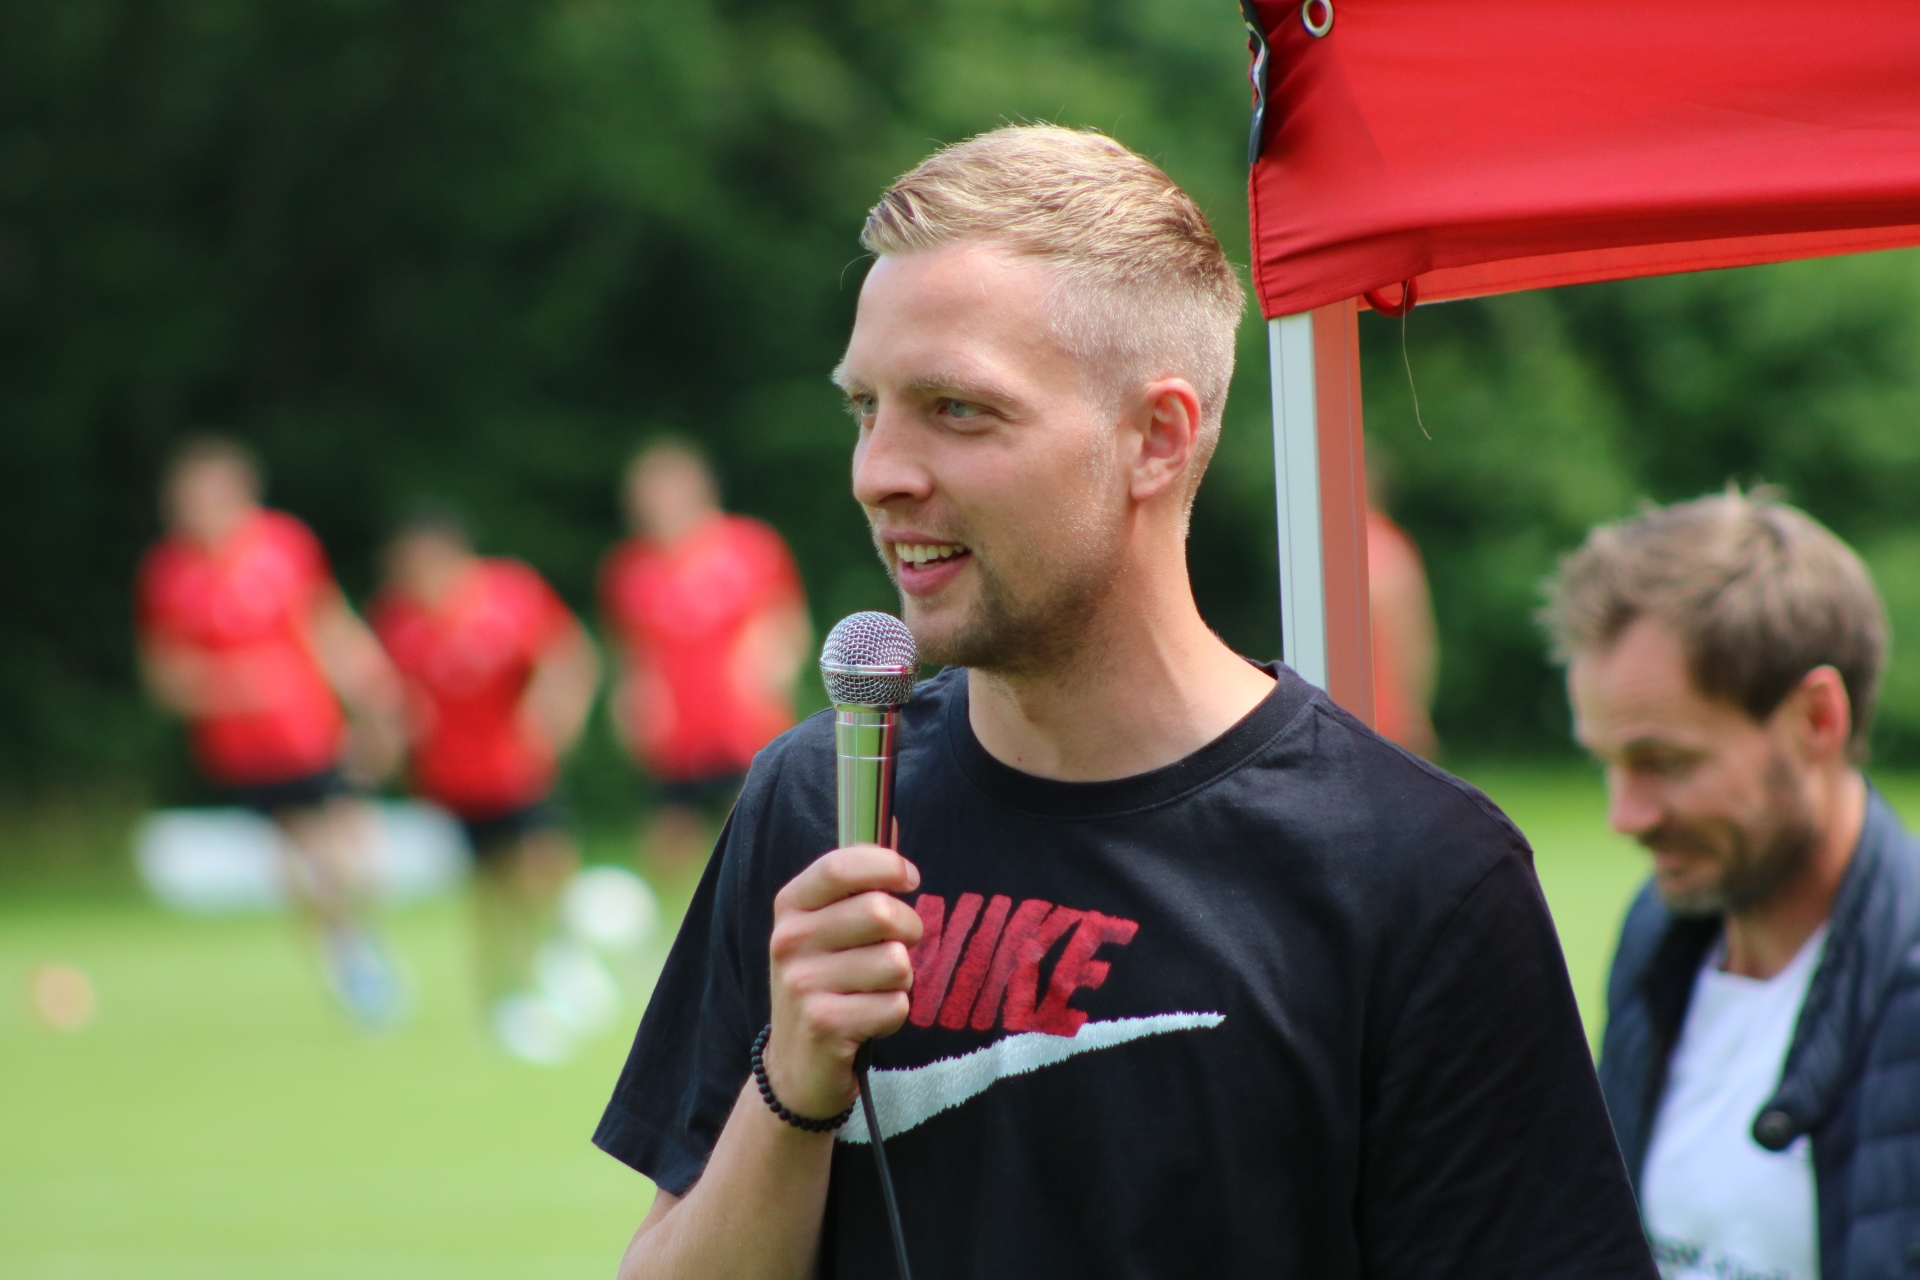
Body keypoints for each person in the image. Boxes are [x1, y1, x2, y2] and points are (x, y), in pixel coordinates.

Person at [594, 126, 1654, 1280]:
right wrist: (791, 1084)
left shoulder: (1417, 872)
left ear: (1156, 438)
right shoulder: (815, 806)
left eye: (956, 408)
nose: (878, 471)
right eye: (866, 407)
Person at [1547, 488, 1920, 1280]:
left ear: (1816, 719)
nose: (1625, 816)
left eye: (1666, 763)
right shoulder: (1660, 937)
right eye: (1606, 764)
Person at [136, 435, 407, 1027]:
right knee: (300, 859)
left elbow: (328, 623)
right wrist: (235, 684)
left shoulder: (285, 545)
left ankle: (360, 944)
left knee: (349, 847)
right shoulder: (170, 573)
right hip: (244, 748)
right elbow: (164, 677)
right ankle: (348, 959)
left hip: (312, 729)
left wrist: (375, 686)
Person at [370, 510, 605, 1060]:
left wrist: (556, 715)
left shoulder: (509, 594)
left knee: (547, 862)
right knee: (488, 888)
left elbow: (568, 656)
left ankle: (563, 959)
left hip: (517, 768)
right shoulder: (400, 621)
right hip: (455, 780)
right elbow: (395, 699)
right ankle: (501, 993)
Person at [600, 441, 810, 876]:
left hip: (745, 724)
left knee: (756, 847)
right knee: (671, 854)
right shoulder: (630, 569)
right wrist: (632, 699)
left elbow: (790, 627)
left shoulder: (751, 547)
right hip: (674, 734)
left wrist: (773, 667)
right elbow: (630, 655)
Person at [1368, 505, 1439, 758]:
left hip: (1374, 719)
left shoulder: (1363, 541)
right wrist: (1414, 714)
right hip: (1385, 720)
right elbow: (1412, 641)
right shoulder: (1384, 543)